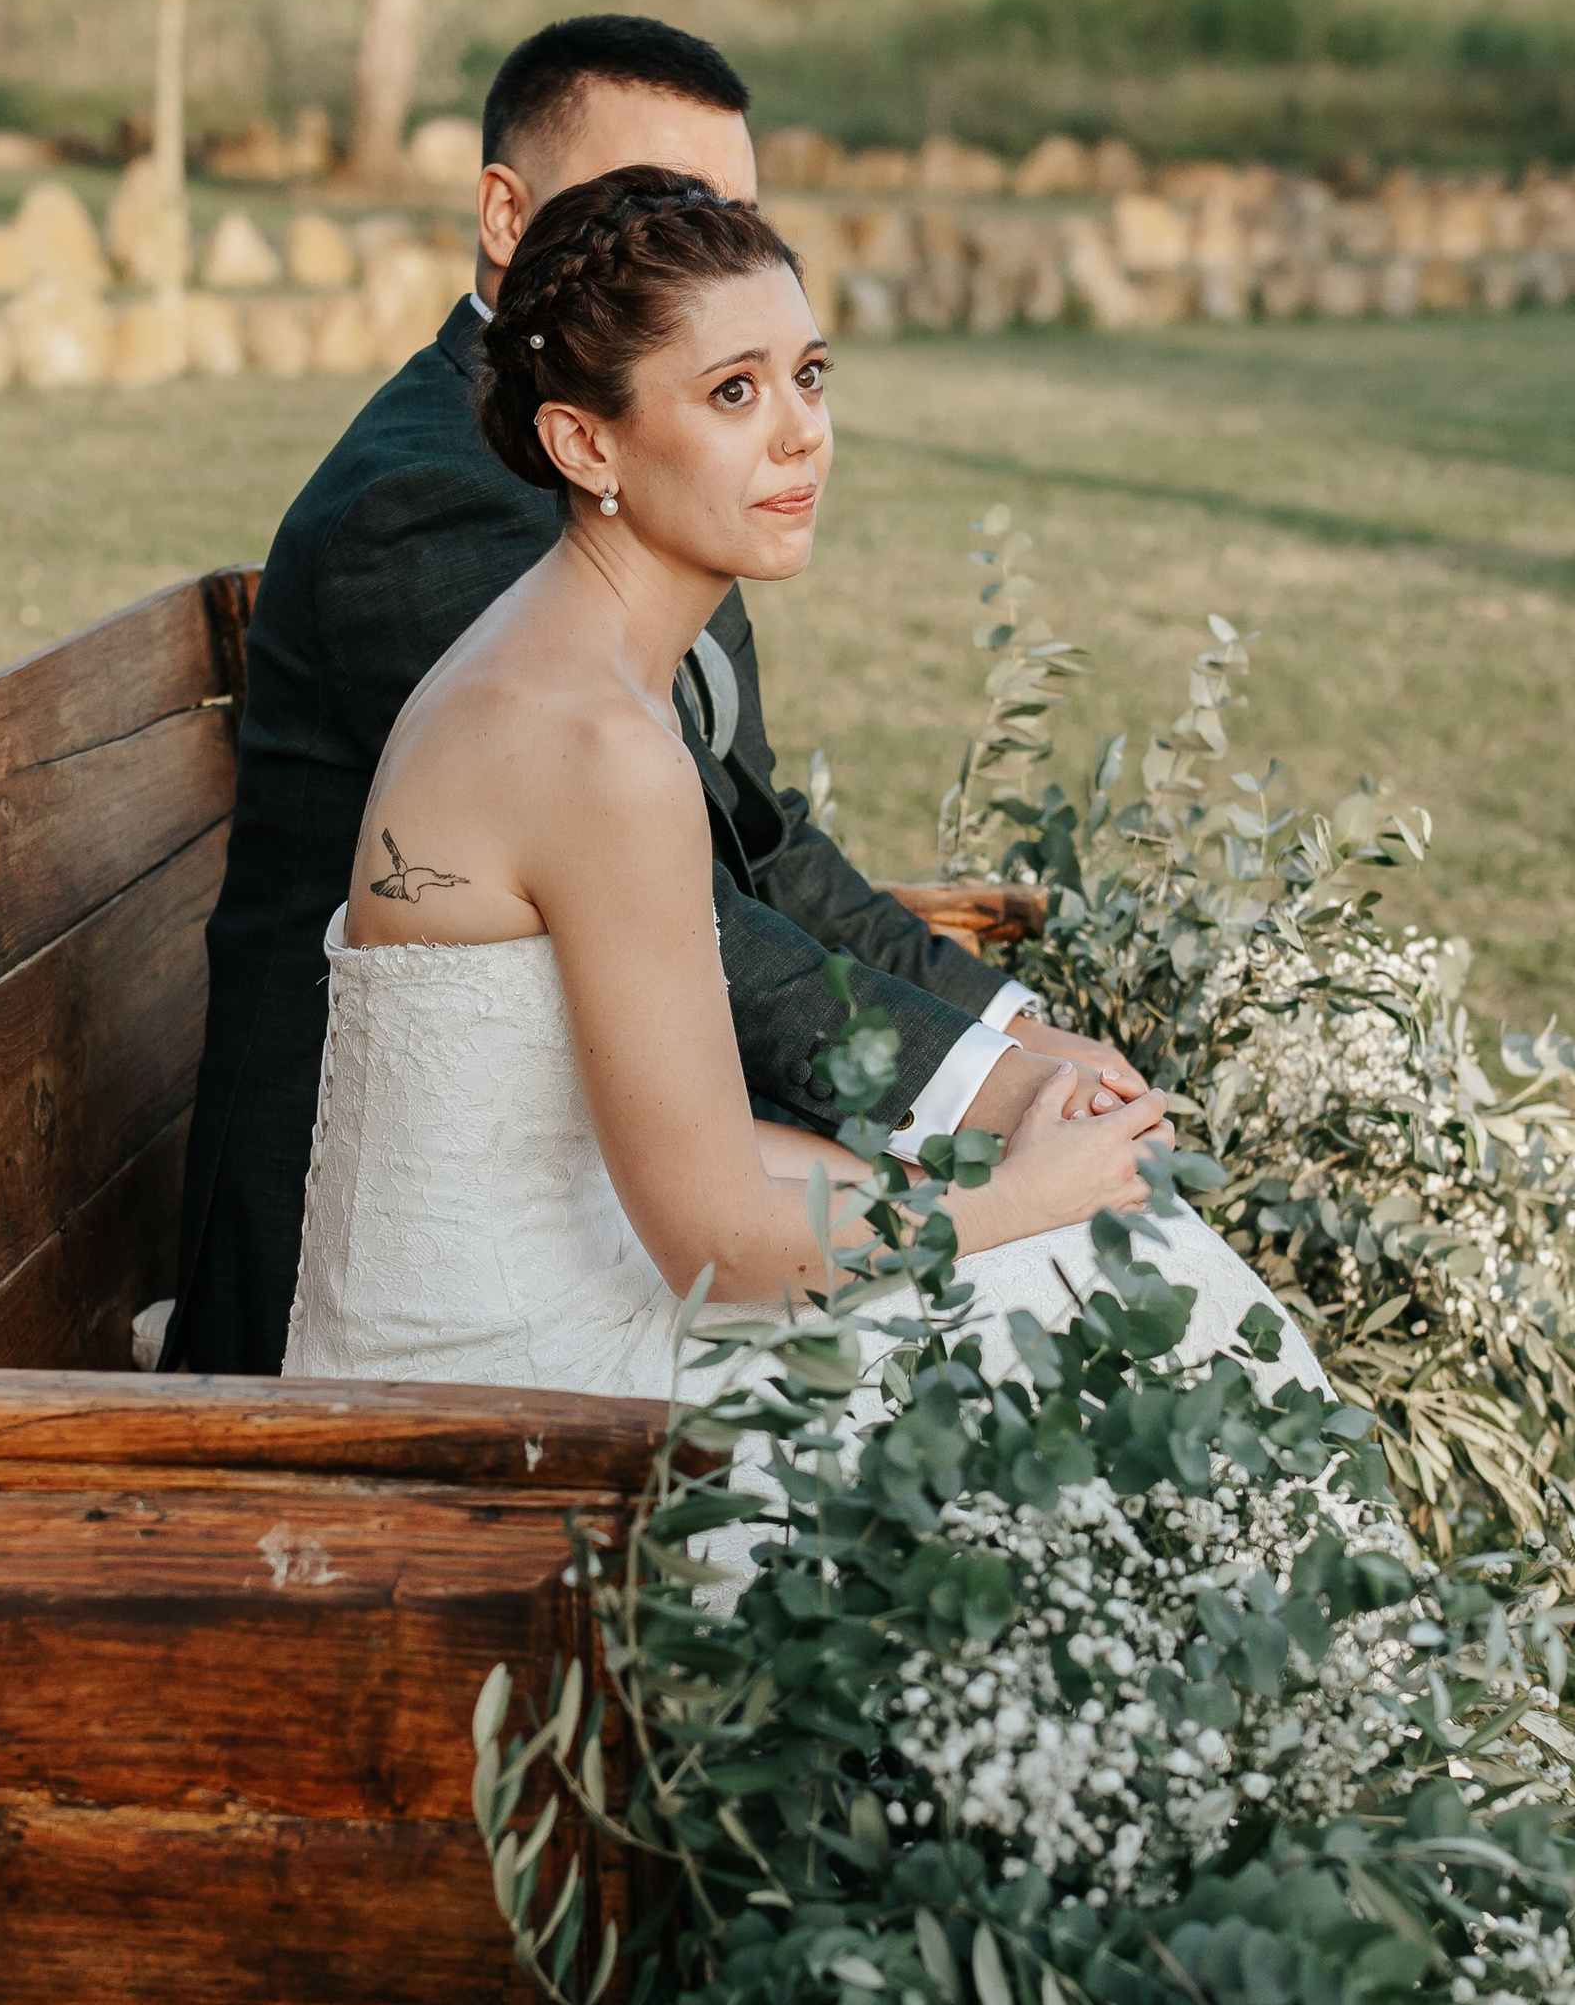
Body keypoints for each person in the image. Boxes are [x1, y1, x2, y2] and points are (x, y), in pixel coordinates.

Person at [166, 14, 1137, 1377]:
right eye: (653, 207)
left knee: (1096, 1296)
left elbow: (758, 839)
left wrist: (1010, 1042)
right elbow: (700, 934)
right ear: (509, 213)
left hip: (594, 1200)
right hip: (417, 1303)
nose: (701, 255)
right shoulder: (463, 503)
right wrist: (994, 1127)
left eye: (726, 213)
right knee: (1080, 1322)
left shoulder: (658, 488)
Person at [282, 168, 1319, 1399]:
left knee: (1109, 1261)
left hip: (542, 1281)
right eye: (734, 391)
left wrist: (969, 1177)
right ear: (583, 440)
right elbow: (718, 1247)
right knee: (1119, 1283)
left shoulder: (574, 659)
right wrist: (1019, 1191)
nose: (799, 431)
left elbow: (698, 1154)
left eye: (808, 375)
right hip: (489, 1380)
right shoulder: (593, 743)